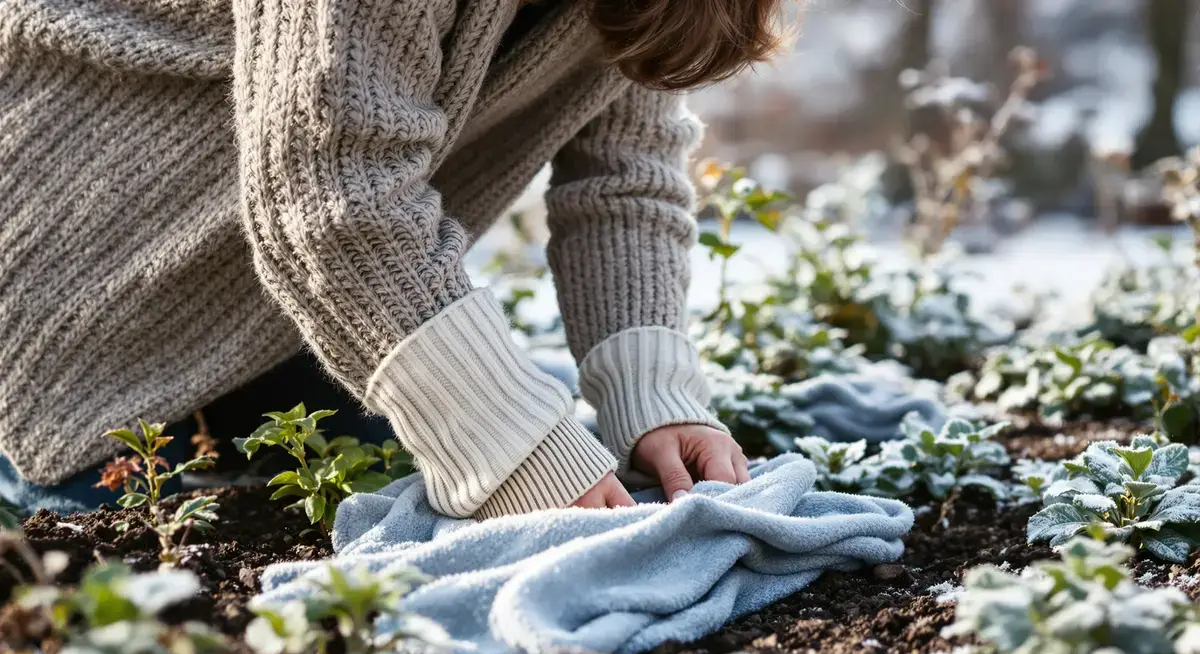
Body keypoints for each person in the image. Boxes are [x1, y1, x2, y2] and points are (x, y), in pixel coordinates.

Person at [0, 0, 786, 519]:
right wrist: (511, 444)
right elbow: (332, 193)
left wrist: (654, 395)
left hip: (282, 310)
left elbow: (626, 179)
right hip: (67, 275)